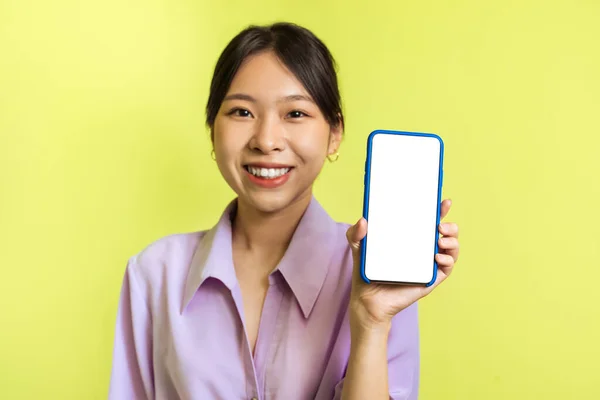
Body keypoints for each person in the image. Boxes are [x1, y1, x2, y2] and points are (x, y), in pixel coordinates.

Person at [108, 22, 460, 400]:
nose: (266, 141)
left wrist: (371, 322)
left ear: (334, 132)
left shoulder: (379, 274)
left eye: (295, 114)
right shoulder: (154, 274)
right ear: (213, 129)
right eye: (242, 112)